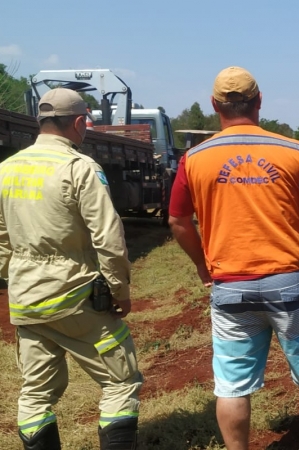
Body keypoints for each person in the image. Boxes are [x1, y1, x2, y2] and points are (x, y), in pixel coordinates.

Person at [168, 66, 299, 450]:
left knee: (231, 384)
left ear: (214, 105)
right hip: (290, 283)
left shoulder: (195, 158)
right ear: (260, 101)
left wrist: (202, 265)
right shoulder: (292, 151)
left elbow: (178, 220)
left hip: (230, 287)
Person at [0, 88, 143, 450]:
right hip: (75, 296)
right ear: (79, 123)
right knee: (120, 381)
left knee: (35, 394)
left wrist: (11, 280)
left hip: (27, 301)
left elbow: (1, 239)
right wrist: (119, 291)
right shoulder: (80, 168)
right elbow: (109, 240)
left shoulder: (6, 169)